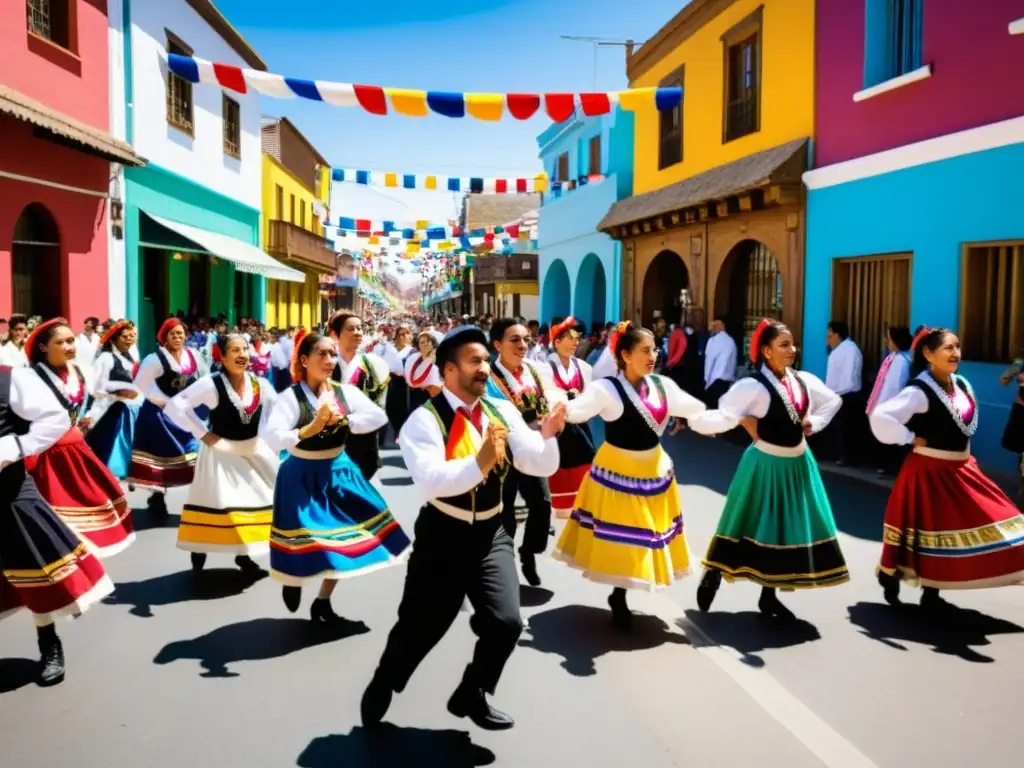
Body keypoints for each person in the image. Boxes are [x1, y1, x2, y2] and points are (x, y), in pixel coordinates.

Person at [360, 326, 564, 730]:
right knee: (419, 629)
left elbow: (539, 464)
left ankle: (473, 692)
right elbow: (434, 480)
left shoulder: (501, 410)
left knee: (507, 623)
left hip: (492, 533)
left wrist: (549, 434)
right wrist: (482, 460)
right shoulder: (423, 421)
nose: (485, 368)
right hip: (443, 536)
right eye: (475, 361)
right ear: (448, 370)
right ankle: (387, 678)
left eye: (486, 360)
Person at [688, 319, 848, 619]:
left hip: (799, 464)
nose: (792, 350)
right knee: (743, 523)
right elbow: (725, 414)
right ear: (766, 351)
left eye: (792, 344)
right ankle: (714, 572)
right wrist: (692, 418)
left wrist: (814, 422)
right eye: (784, 345)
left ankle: (768, 595)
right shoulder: (752, 386)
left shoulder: (802, 381)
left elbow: (833, 401)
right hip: (765, 464)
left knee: (783, 531)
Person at [554, 321, 705, 628]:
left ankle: (628, 587)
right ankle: (620, 594)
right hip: (617, 472)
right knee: (626, 533)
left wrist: (719, 419)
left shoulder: (661, 386)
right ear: (625, 354)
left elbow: (692, 408)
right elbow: (579, 410)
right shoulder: (606, 389)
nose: (654, 355)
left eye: (655, 349)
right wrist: (558, 409)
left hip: (654, 470)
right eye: (645, 350)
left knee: (650, 532)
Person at [869, 327, 1024, 610]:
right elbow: (881, 416)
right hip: (929, 470)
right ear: (928, 354)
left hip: (962, 468)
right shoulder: (919, 391)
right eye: (948, 348)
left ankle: (934, 587)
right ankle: (909, 582)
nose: (955, 353)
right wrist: (908, 438)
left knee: (995, 519)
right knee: (929, 530)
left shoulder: (962, 384)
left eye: (957, 347)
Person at [261, 328, 410, 624]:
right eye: (322, 354)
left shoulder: (344, 393)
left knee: (346, 541)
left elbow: (378, 417)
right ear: (304, 360)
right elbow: (273, 437)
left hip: (339, 471)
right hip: (301, 474)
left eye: (332, 354)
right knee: (307, 539)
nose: (330, 359)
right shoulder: (291, 398)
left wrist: (348, 420)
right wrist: (307, 430)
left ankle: (323, 600)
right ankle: (293, 578)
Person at [0, 364, 114, 687]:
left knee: (35, 569)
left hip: (8, 488)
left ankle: (49, 645)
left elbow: (55, 419)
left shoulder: (9, 378)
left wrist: (13, 448)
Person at [165, 334, 278, 577]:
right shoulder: (211, 384)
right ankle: (200, 547)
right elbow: (175, 406)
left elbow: (273, 418)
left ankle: (244, 556)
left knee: (255, 502)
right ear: (223, 357)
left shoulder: (261, 385)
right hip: (220, 453)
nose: (242, 355)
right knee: (218, 504)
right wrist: (202, 433)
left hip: (251, 451)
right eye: (235, 350)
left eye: (245, 349)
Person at [24, 319, 134, 557]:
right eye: (60, 342)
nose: (69, 346)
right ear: (43, 347)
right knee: (50, 510)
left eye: (70, 340)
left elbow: (98, 395)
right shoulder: (31, 378)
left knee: (87, 501)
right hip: (44, 454)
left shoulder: (81, 370)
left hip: (75, 448)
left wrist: (89, 419)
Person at [487, 318, 561, 587]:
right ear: (497, 345)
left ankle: (528, 552)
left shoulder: (534, 370)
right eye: (514, 340)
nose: (522, 345)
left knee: (541, 504)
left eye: (525, 339)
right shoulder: (487, 378)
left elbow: (549, 399)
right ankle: (504, 565)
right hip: (502, 452)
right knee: (504, 509)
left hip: (533, 447)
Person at [128, 318, 207, 516]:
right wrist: (165, 402)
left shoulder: (193, 355)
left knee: (194, 453)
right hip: (158, 416)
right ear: (165, 337)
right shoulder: (154, 359)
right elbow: (141, 386)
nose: (178, 337)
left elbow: (203, 379)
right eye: (173, 334)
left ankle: (200, 499)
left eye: (180, 333)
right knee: (159, 457)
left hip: (185, 412)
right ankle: (157, 497)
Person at [328, 312, 390, 481]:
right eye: (351, 329)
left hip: (364, 440)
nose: (358, 332)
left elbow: (380, 403)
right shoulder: (326, 364)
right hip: (330, 441)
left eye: (360, 328)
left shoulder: (374, 365)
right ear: (335, 335)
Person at [545, 316, 596, 518]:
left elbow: (589, 398)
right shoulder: (545, 367)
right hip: (558, 429)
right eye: (569, 337)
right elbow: (547, 397)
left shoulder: (585, 368)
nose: (575, 342)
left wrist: (579, 399)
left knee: (586, 465)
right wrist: (567, 398)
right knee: (559, 472)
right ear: (556, 341)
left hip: (580, 427)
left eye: (577, 337)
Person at [83, 320, 142, 483]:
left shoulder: (131, 359)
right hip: (108, 408)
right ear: (114, 339)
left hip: (128, 408)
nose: (129, 339)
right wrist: (118, 391)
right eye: (125, 337)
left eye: (132, 336)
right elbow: (95, 387)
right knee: (108, 444)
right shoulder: (106, 358)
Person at [865, 326, 913, 474]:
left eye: (889, 338)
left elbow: (893, 386)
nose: (887, 341)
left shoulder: (900, 361)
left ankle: (890, 468)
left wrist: (882, 407)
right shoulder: (893, 357)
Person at [824, 320, 864, 465]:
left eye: (830, 334)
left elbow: (849, 378)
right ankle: (842, 455)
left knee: (846, 429)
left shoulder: (850, 349)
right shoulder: (839, 350)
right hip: (838, 394)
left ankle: (848, 457)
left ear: (837, 334)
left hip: (847, 395)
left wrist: (837, 392)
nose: (828, 338)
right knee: (840, 428)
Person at [382, 324, 415, 440]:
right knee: (390, 407)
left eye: (407, 333)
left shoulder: (412, 352)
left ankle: (401, 432)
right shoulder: (388, 348)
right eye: (401, 334)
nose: (404, 336)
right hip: (390, 382)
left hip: (406, 385)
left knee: (404, 408)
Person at [404, 330, 442, 411]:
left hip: (439, 396)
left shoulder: (440, 356)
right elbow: (412, 381)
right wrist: (427, 360)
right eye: (422, 342)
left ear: (433, 343)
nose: (426, 344)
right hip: (420, 396)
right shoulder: (413, 358)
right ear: (418, 346)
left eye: (428, 341)